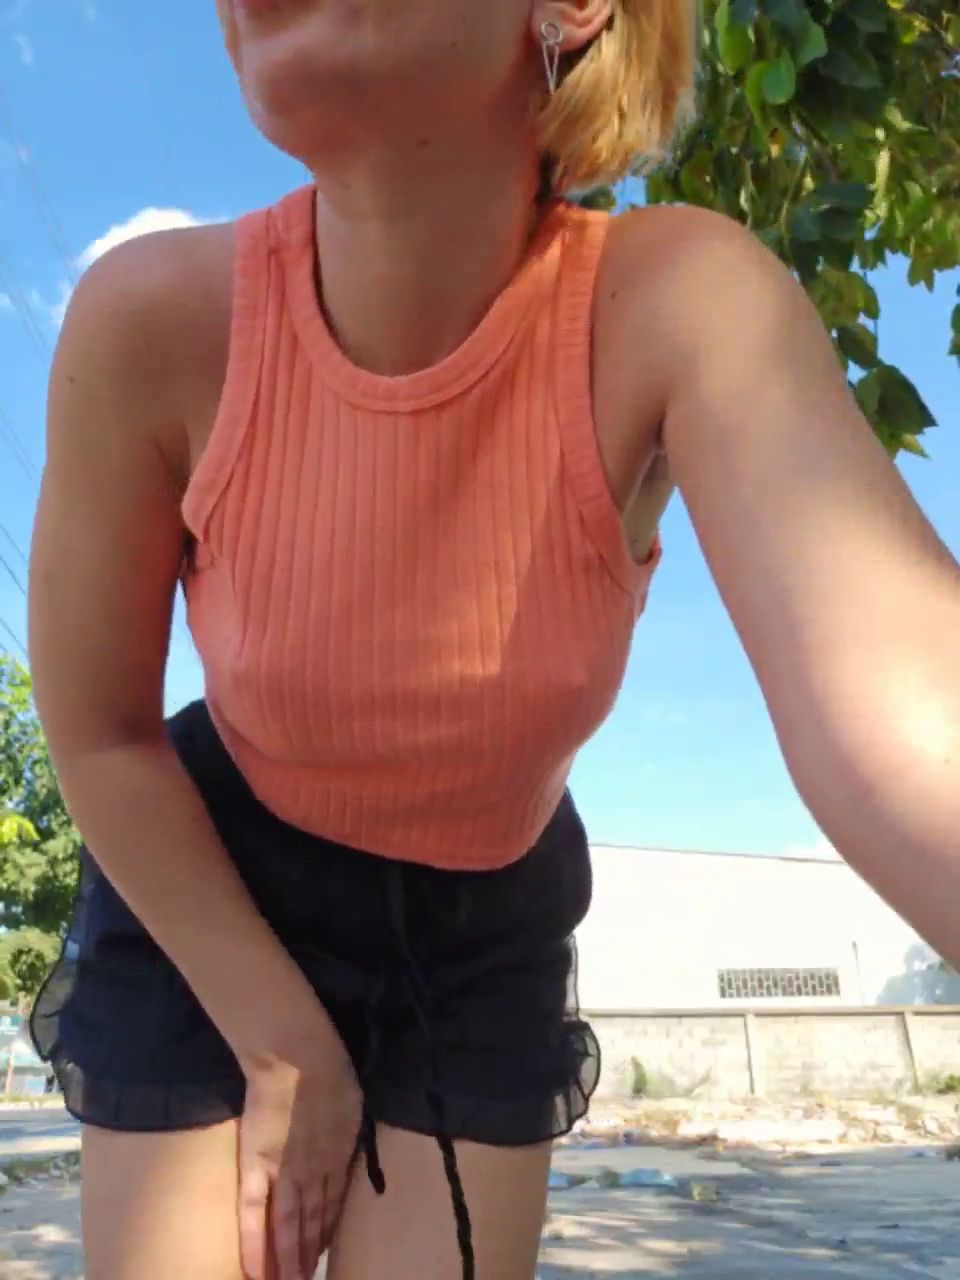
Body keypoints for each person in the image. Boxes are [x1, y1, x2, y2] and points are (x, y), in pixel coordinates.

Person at [26, 0, 960, 1277]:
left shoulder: (681, 301)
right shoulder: (149, 320)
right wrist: (280, 1038)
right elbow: (101, 729)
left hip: (482, 930)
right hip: (209, 890)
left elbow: (909, 713)